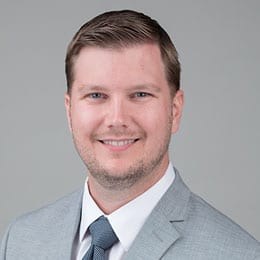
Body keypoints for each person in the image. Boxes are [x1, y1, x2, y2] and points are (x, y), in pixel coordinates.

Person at [1, 9, 260, 260]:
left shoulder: (240, 254)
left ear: (175, 110)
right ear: (70, 111)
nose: (117, 120)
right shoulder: (20, 240)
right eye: (96, 95)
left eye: (140, 95)